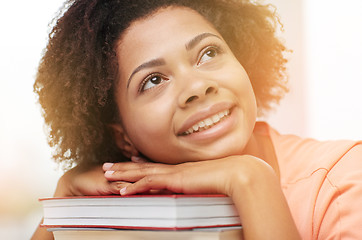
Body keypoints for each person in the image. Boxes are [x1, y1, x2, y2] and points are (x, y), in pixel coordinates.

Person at [31, 0, 362, 239]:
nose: (198, 87)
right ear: (123, 137)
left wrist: (250, 180)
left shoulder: (343, 181)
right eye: (154, 81)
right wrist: (63, 207)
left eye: (209, 53)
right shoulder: (126, 211)